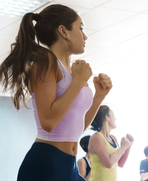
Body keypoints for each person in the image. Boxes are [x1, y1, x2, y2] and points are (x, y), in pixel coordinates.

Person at [0, 4, 112, 181]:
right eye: (80, 28)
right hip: (46, 164)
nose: (85, 36)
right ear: (63, 31)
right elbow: (48, 122)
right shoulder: (45, 61)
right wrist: (77, 82)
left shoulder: (71, 71)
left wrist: (99, 96)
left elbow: (75, 129)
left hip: (69, 165)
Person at [88, 105, 134, 181]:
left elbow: (120, 163)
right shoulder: (97, 137)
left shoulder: (113, 138)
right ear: (107, 117)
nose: (115, 119)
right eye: (113, 116)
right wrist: (122, 147)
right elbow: (109, 164)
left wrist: (128, 146)